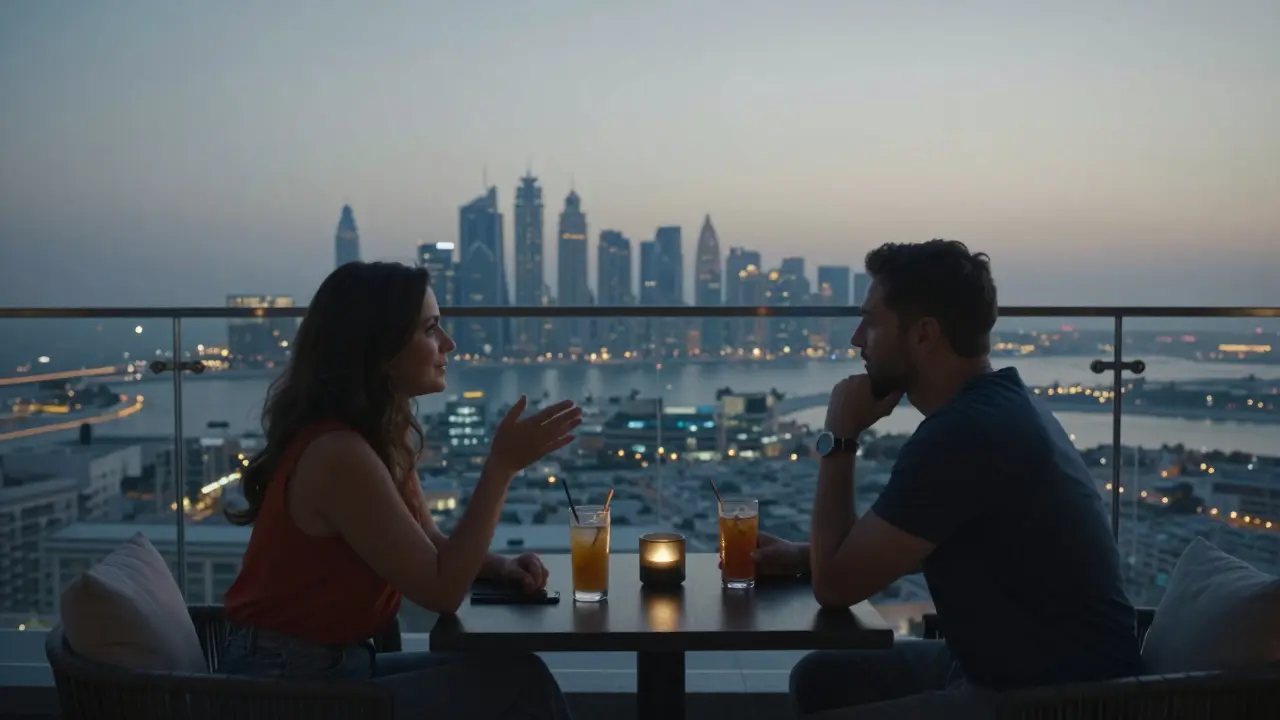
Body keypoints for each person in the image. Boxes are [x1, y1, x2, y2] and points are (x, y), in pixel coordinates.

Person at [770, 240, 1143, 719]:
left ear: (924, 334)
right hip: (1035, 669)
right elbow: (942, 541)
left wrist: (839, 437)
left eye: (873, 321)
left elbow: (836, 588)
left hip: (1054, 699)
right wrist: (806, 556)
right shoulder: (1002, 403)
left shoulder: (962, 435)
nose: (856, 339)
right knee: (821, 677)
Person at [219, 261, 579, 720]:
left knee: (517, 674)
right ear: (378, 349)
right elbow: (442, 590)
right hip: (284, 686)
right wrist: (501, 467)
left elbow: (428, 543)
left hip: (333, 665)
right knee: (520, 686)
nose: (448, 344)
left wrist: (500, 567)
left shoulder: (374, 437)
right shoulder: (339, 454)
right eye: (431, 329)